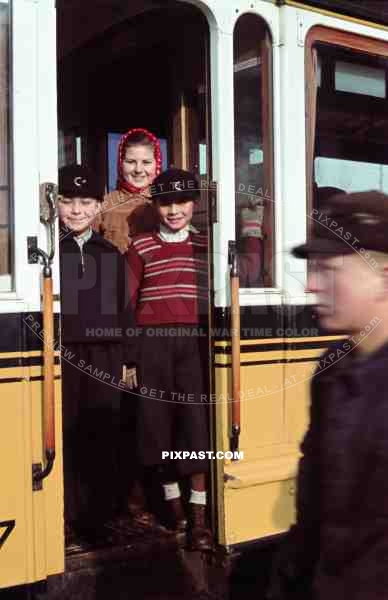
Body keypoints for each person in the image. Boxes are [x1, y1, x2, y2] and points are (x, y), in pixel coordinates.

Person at [267, 190, 388, 599]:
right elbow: (315, 504)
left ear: (383, 276)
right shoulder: (331, 368)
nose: (313, 285)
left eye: (329, 269)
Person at [127, 168, 213, 551]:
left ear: (194, 204)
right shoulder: (140, 247)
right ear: (156, 206)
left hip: (194, 344)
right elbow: (127, 304)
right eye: (165, 203)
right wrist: (130, 356)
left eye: (181, 202)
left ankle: (198, 517)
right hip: (152, 344)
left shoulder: (206, 245)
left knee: (194, 424)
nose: (174, 210)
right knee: (154, 423)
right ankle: (172, 507)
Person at [58, 164, 136, 545]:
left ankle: (99, 519)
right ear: (55, 204)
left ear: (99, 205)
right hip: (64, 355)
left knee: (102, 434)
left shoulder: (109, 252)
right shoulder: (48, 252)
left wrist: (128, 358)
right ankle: (66, 517)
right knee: (66, 431)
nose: (76, 210)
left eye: (85, 202)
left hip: (106, 354)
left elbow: (125, 309)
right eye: (67, 201)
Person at [95, 128, 162, 254]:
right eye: (131, 162)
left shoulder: (165, 201)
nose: (138, 169)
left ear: (157, 163)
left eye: (146, 162)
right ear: (120, 164)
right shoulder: (105, 204)